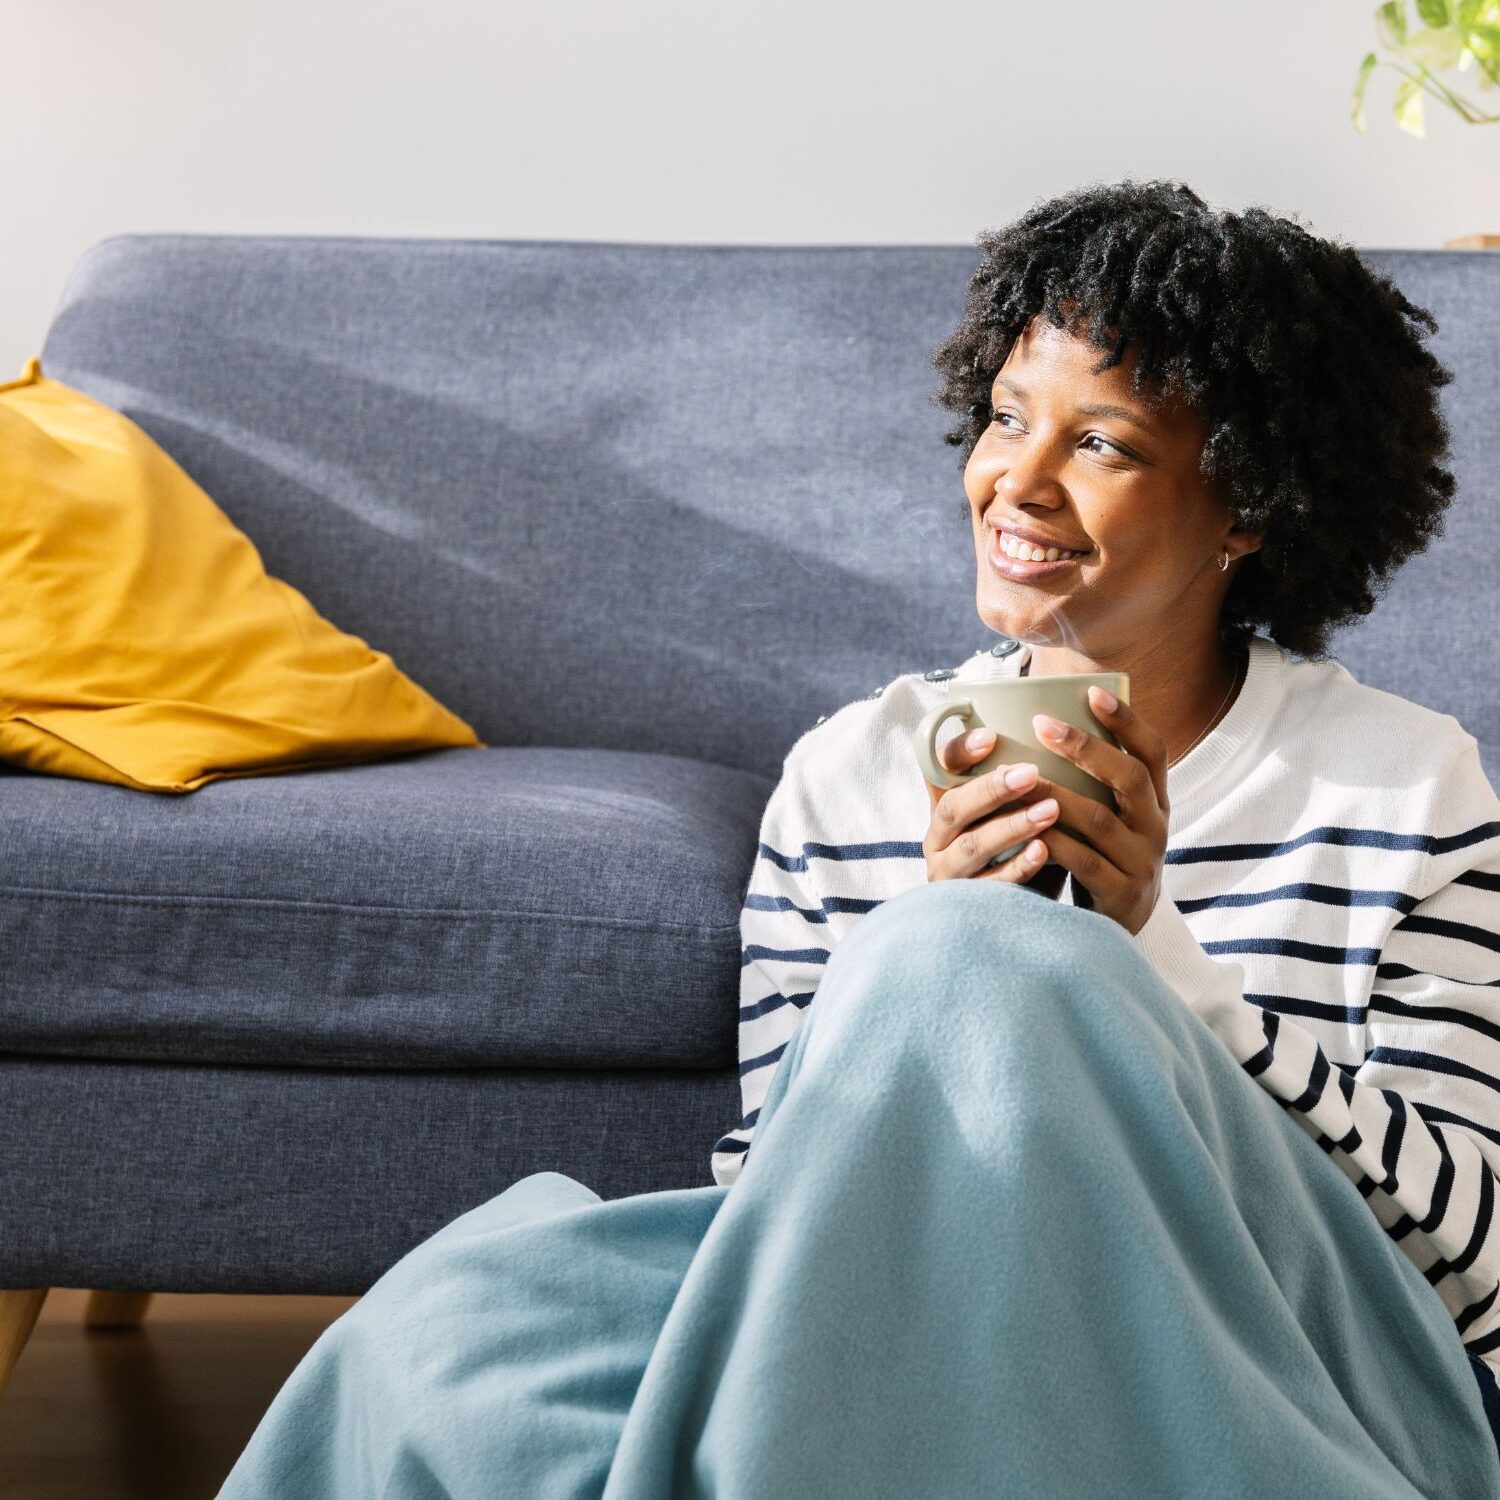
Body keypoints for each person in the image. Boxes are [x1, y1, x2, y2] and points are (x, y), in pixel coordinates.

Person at [217, 179, 1500, 1498]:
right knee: (456, 1332)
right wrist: (919, 1004)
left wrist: (1146, 962)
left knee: (970, 956)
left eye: (1104, 444)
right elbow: (787, 1213)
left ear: (1249, 506)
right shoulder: (848, 778)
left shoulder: (1399, 784)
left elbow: (1475, 1249)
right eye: (1007, 417)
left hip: (1289, 1356)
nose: (1020, 481)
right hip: (893, 1328)